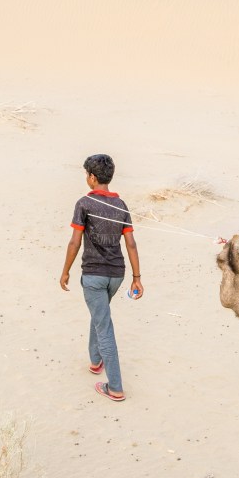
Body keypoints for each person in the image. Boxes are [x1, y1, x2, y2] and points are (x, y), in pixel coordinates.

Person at [60, 153, 143, 402]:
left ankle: (115, 386)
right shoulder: (121, 205)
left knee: (104, 325)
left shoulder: (84, 203)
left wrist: (65, 270)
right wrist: (136, 277)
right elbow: (131, 244)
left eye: (87, 174)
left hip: (94, 275)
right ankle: (96, 361)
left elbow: (75, 241)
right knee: (100, 314)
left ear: (92, 177)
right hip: (117, 276)